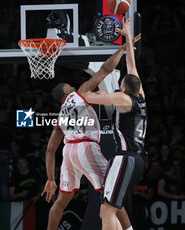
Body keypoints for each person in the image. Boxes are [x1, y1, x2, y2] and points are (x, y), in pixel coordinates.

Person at [41, 29, 141, 229]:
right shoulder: (80, 93)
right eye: (70, 85)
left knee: (60, 202)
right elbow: (105, 69)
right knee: (112, 193)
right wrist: (121, 49)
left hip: (68, 152)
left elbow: (51, 149)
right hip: (86, 148)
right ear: (68, 90)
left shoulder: (60, 115)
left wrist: (50, 179)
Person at [84, 18, 147, 230]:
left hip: (125, 158)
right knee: (109, 208)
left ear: (125, 89)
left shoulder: (124, 98)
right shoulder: (140, 96)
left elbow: (88, 97)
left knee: (108, 210)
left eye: (121, 84)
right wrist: (128, 40)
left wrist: (95, 93)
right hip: (135, 159)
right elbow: (132, 65)